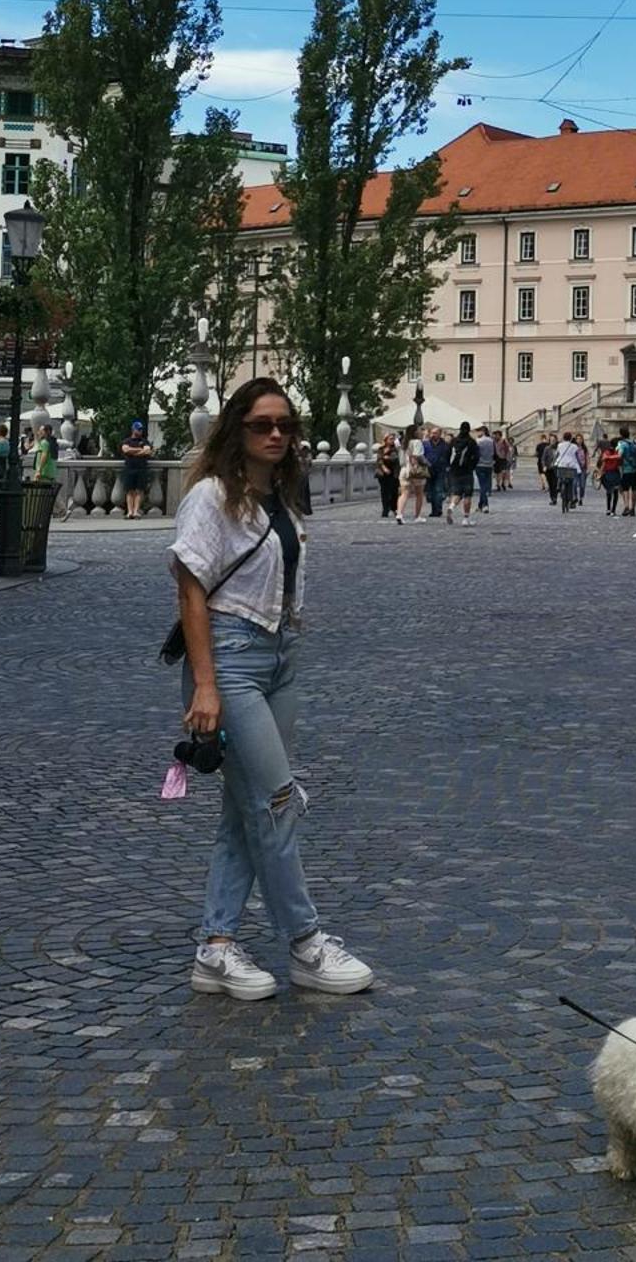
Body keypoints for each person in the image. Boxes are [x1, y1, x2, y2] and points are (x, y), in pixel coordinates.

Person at [169, 375, 372, 1001]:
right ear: (237, 429)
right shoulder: (210, 497)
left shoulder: (280, 496)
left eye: (285, 424)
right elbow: (191, 591)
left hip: (280, 656)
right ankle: (305, 942)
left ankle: (217, 947)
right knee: (277, 800)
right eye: (262, 424)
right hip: (229, 660)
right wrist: (205, 685)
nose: (276, 434)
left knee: (247, 808)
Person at [121, 420, 154, 520]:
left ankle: (136, 511)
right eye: (138, 429)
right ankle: (130, 512)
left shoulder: (144, 441)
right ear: (133, 429)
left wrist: (132, 452)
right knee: (129, 491)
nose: (140, 431)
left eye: (141, 429)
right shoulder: (127, 441)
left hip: (141, 468)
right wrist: (140, 450)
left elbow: (148, 451)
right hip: (129, 468)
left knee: (139, 490)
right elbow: (125, 449)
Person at [446, 423, 477, 527]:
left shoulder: (454, 441)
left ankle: (451, 507)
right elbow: (476, 456)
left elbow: (447, 453)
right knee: (467, 494)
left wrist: (449, 466)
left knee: (457, 493)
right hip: (467, 471)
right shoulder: (471, 442)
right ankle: (465, 518)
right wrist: (472, 466)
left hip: (454, 471)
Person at [397, 435, 428, 523]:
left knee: (404, 494)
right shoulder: (417, 442)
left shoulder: (403, 443)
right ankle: (417, 516)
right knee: (419, 493)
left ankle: (399, 514)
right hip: (415, 471)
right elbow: (416, 456)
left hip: (404, 470)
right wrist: (426, 463)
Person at [423, 427, 449, 519]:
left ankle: (438, 510)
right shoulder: (426, 444)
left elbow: (448, 457)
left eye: (436, 433)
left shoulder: (445, 445)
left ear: (440, 434)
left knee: (438, 490)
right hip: (428, 470)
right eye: (432, 433)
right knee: (430, 492)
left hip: (440, 470)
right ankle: (434, 509)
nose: (433, 435)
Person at [617, 428, 636, 516]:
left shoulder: (622, 444)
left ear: (621, 434)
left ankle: (626, 507)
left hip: (627, 470)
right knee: (635, 489)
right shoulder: (634, 442)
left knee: (625, 489)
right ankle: (633, 508)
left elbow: (620, 455)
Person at [373, 434, 400, 519]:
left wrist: (386, 457)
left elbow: (394, 458)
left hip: (393, 473)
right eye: (390, 439)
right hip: (383, 474)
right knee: (384, 492)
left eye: (393, 439)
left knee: (393, 492)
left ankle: (394, 508)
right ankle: (385, 509)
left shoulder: (395, 449)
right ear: (386, 440)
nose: (392, 440)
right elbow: (379, 460)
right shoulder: (381, 449)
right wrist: (384, 467)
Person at [553, 432, 581, 512]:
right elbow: (576, 455)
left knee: (559, 475)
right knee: (571, 482)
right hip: (571, 465)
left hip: (561, 464)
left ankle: (559, 485)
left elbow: (557, 454)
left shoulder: (560, 445)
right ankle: (571, 497)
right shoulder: (574, 446)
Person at [475, 426, 496, 514]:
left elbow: (476, 453)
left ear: (482, 431)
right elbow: (494, 452)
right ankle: (480, 505)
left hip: (480, 464)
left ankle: (485, 505)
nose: (477, 433)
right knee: (485, 485)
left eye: (478, 431)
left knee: (482, 486)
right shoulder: (491, 441)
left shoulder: (478, 441)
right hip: (489, 465)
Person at [599, 440, 622, 515]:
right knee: (615, 492)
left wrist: (600, 473)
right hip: (615, 473)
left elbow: (603, 463)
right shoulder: (617, 452)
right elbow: (619, 462)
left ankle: (608, 509)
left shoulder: (606, 452)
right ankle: (613, 510)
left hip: (608, 473)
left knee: (609, 492)